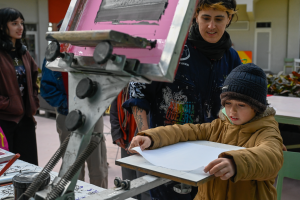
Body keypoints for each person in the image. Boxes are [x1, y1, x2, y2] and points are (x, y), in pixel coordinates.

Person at [123, 0, 241, 199]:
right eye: (206, 18)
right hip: (168, 155)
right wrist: (147, 138)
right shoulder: (172, 51)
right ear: (195, 15)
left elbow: (246, 104)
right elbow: (138, 91)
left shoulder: (231, 59)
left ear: (229, 19)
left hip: (211, 160)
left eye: (219, 19)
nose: (211, 26)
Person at [129, 63, 284, 200]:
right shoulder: (218, 127)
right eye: (228, 103)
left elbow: (271, 156)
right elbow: (186, 131)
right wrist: (151, 137)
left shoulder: (266, 131)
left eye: (241, 105)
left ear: (256, 107)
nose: (232, 111)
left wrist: (236, 163)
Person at [40, 21, 108, 188]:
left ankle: (100, 196)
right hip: (67, 115)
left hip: (92, 113)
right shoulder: (55, 55)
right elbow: (47, 88)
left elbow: (106, 81)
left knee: (97, 164)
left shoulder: (92, 52)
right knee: (72, 165)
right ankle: (75, 195)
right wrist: (69, 105)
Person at [0, 8, 39, 165]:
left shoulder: (23, 53)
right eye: (14, 23)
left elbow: (34, 78)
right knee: (7, 169)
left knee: (29, 167)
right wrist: (7, 103)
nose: (20, 27)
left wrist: (34, 101)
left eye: (21, 23)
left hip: (26, 119)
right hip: (4, 120)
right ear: (2, 26)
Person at [110, 85, 150, 200]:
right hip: (126, 138)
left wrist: (144, 137)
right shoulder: (122, 82)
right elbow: (114, 107)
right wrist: (117, 133)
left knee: (145, 185)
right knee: (129, 184)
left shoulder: (146, 83)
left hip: (144, 141)